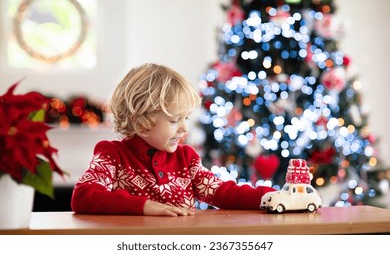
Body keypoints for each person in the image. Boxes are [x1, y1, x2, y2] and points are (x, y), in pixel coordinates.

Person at [71, 63, 276, 216]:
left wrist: (271, 197)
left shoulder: (186, 159)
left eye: (185, 118)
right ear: (142, 122)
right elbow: (83, 196)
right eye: (174, 120)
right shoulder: (112, 156)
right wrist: (143, 206)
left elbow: (223, 192)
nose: (184, 128)